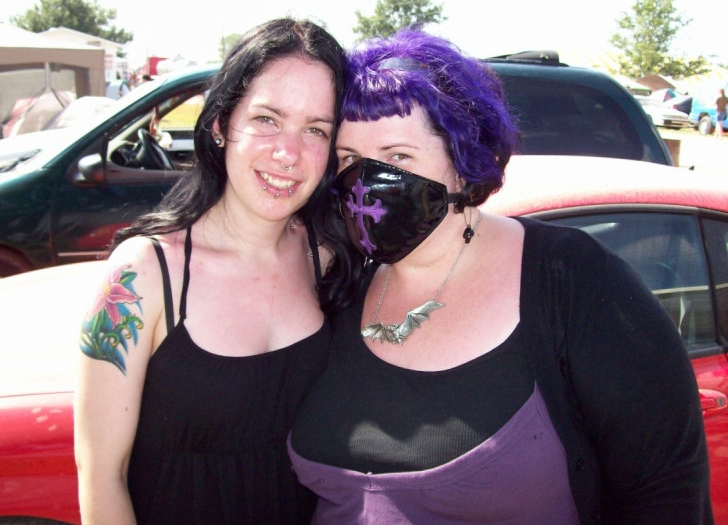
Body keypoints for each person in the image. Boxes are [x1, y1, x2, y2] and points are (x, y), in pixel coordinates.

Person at [288, 29, 712, 524]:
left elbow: (666, 492)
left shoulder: (573, 279)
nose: (368, 182)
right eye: (350, 160)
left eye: (398, 156)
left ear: (463, 162)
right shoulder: (341, 280)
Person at [74, 18, 354, 524]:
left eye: (315, 129)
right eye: (267, 119)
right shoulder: (143, 275)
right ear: (221, 124)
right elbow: (101, 477)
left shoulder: (328, 257)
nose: (288, 154)